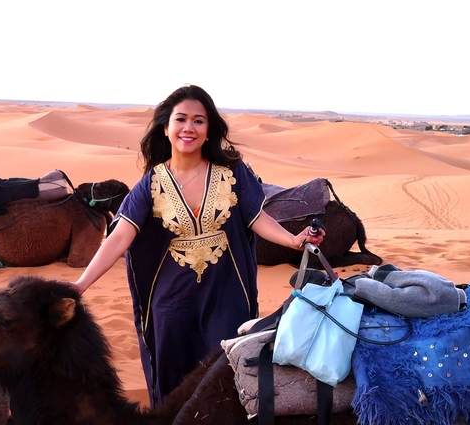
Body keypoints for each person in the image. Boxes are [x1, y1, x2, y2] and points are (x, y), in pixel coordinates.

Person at [74, 85, 324, 406]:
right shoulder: (151, 184)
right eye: (181, 119)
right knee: (174, 383)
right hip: (172, 302)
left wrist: (293, 239)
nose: (189, 128)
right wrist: (81, 284)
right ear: (166, 128)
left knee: (226, 378)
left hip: (225, 296)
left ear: (209, 130)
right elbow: (120, 236)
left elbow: (256, 218)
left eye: (198, 121)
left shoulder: (232, 173)